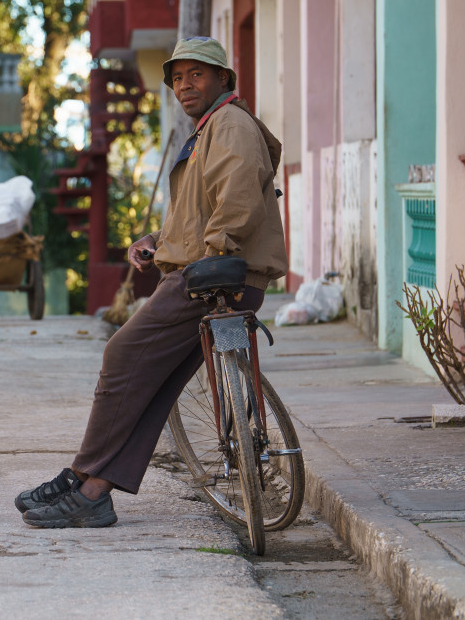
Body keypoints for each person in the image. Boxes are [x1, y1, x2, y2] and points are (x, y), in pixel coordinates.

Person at [16, 36, 288, 528]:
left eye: (197, 74)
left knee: (121, 356)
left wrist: (217, 255)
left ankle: (81, 475)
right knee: (156, 382)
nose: (185, 85)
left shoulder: (229, 124)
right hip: (214, 272)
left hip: (213, 278)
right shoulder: (209, 130)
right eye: (178, 78)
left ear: (223, 79)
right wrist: (158, 240)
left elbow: (239, 198)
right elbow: (202, 213)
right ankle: (94, 489)